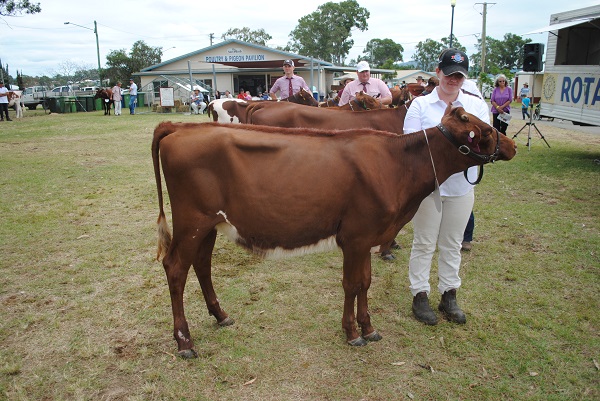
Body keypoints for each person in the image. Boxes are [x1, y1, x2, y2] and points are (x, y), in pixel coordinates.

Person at [403, 48, 490, 326]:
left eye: (460, 76)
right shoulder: (420, 106)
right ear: (438, 73)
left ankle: (449, 294)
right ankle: (420, 294)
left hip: (462, 185)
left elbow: (486, 142)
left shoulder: (475, 105)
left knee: (452, 243)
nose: (454, 80)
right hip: (429, 187)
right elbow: (410, 145)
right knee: (424, 242)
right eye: (450, 74)